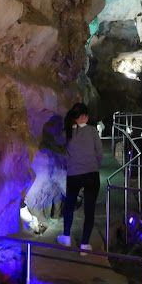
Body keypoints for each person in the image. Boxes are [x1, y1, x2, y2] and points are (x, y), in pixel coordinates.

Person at [57, 103, 103, 253]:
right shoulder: (92, 131)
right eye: (87, 115)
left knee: (69, 206)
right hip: (91, 174)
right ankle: (84, 245)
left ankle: (66, 237)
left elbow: (59, 145)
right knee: (89, 211)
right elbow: (99, 153)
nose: (88, 118)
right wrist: (95, 166)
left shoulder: (66, 133)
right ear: (82, 117)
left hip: (73, 175)